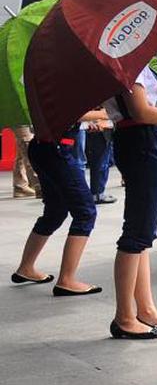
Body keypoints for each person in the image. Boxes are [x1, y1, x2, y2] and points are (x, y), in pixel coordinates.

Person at [103, 65, 157, 340]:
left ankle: (146, 309)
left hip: (142, 140)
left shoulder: (132, 65)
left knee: (142, 231)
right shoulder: (126, 66)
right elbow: (141, 110)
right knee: (137, 231)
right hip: (141, 139)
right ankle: (125, 317)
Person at [10, 111, 106, 296]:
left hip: (43, 147)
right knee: (85, 212)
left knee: (54, 212)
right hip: (57, 150)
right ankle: (67, 280)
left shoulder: (40, 81)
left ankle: (26, 268)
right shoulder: (63, 82)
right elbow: (72, 112)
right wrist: (106, 112)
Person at [84, 117, 116, 204]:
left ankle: (98, 193)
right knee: (100, 163)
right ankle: (97, 194)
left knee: (103, 162)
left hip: (102, 126)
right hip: (98, 127)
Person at [11, 124, 40, 199]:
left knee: (23, 149)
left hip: (21, 117)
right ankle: (39, 186)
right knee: (28, 150)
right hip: (20, 116)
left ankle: (20, 186)